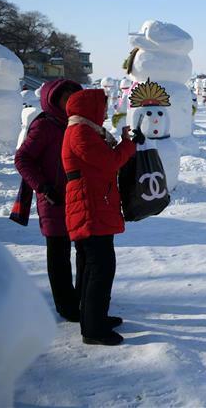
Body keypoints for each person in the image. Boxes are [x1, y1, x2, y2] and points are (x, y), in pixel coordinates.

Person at [62, 89, 138, 345]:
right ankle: (93, 329)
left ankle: (93, 318)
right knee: (100, 268)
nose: (105, 112)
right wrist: (128, 145)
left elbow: (101, 160)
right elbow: (109, 162)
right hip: (89, 206)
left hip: (93, 203)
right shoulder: (80, 133)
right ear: (90, 109)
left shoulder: (86, 132)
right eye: (102, 107)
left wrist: (123, 141)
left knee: (91, 266)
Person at [14, 79, 84, 321]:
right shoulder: (44, 125)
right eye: (66, 98)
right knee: (59, 254)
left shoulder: (77, 123)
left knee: (85, 251)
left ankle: (83, 297)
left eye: (74, 98)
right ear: (54, 99)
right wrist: (43, 187)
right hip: (52, 198)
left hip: (78, 197)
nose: (70, 103)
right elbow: (22, 159)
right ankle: (66, 305)